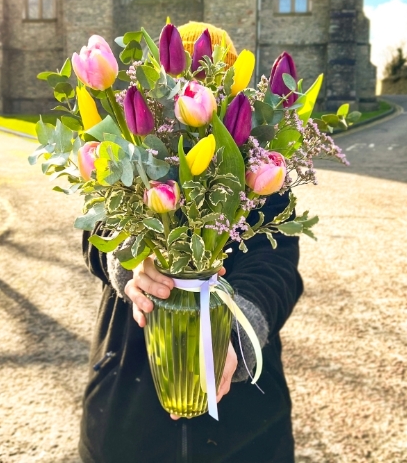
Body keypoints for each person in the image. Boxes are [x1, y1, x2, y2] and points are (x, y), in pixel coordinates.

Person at [78, 23, 304, 463]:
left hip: (244, 428)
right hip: (128, 406)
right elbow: (94, 230)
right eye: (180, 83)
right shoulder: (131, 151)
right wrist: (132, 260)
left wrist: (234, 342)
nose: (191, 91)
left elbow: (277, 268)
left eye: (209, 82)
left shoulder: (262, 172)